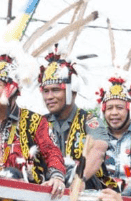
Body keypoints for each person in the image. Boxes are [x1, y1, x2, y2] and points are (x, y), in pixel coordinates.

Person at [0, 51, 67, 197]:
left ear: (13, 88)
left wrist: (57, 177)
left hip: (24, 193)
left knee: (11, 173)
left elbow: (51, 151)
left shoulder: (33, 120)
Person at [38, 48, 108, 186]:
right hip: (48, 188)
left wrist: (80, 179)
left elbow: (99, 148)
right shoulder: (40, 123)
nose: (49, 97)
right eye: (46, 91)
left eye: (56, 90)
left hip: (83, 189)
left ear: (73, 92)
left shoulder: (89, 120)